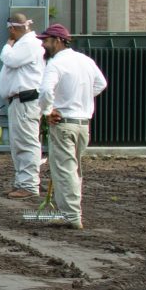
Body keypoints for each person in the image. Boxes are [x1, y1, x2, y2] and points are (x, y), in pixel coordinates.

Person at [34, 24, 107, 230]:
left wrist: (48, 110)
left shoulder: (56, 64)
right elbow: (101, 84)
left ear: (57, 41)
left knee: (64, 170)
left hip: (64, 123)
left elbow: (46, 91)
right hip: (83, 124)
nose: (43, 45)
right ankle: (70, 211)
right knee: (74, 170)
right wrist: (80, 99)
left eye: (46, 41)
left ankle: (71, 215)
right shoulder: (86, 61)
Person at [0, 11, 45, 199]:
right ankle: (22, 182)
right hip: (20, 100)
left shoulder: (29, 44)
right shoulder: (26, 44)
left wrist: (8, 45)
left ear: (12, 29)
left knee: (26, 142)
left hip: (26, 100)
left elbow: (10, 59)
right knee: (19, 143)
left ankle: (29, 184)